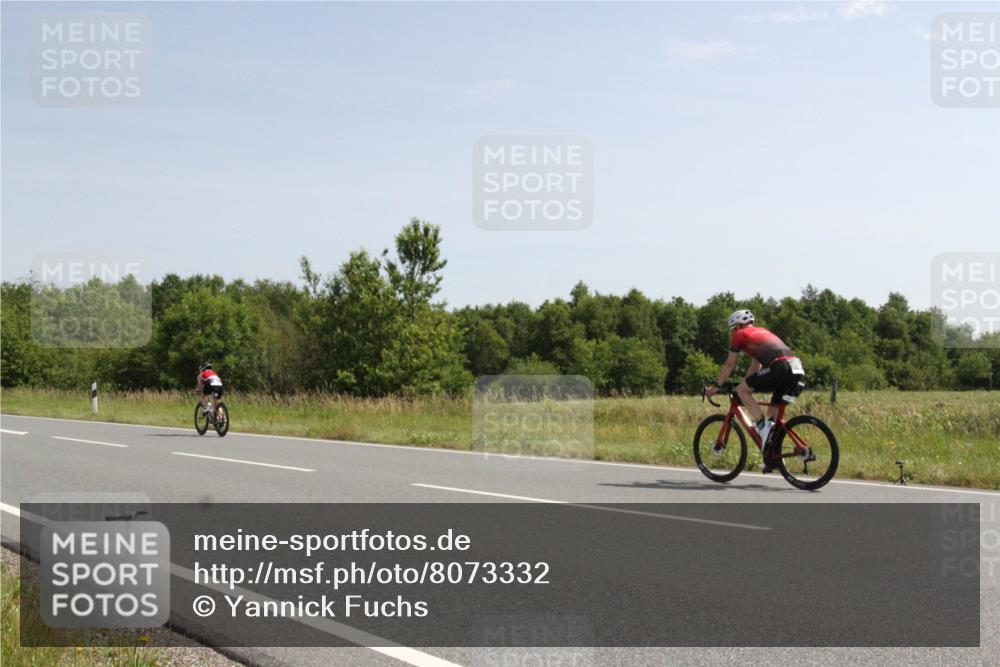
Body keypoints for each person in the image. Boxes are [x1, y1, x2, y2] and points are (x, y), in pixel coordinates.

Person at [705, 310, 805, 469]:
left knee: (743, 392)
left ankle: (761, 425)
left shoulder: (740, 334)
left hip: (779, 367)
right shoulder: (762, 332)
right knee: (773, 415)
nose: (732, 332)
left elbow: (730, 364)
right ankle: (774, 458)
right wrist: (744, 384)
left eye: (732, 328)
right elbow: (755, 365)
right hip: (796, 368)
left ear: (737, 326)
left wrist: (717, 386)